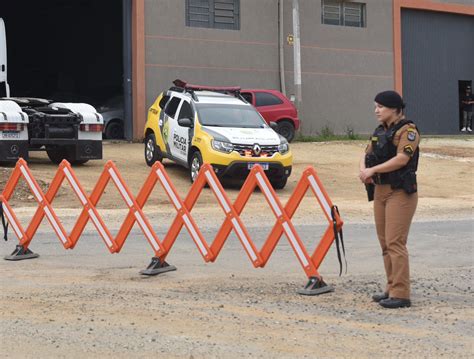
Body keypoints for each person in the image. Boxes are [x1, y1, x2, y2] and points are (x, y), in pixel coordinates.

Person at [359, 90, 419, 309]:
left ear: (395, 109)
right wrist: (364, 170)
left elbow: (402, 158)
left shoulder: (408, 131)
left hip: (400, 191)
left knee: (395, 242)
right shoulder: (380, 131)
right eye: (375, 106)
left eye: (381, 107)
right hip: (381, 190)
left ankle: (401, 294)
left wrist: (372, 169)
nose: (376, 110)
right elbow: (365, 154)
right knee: (385, 242)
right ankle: (391, 287)